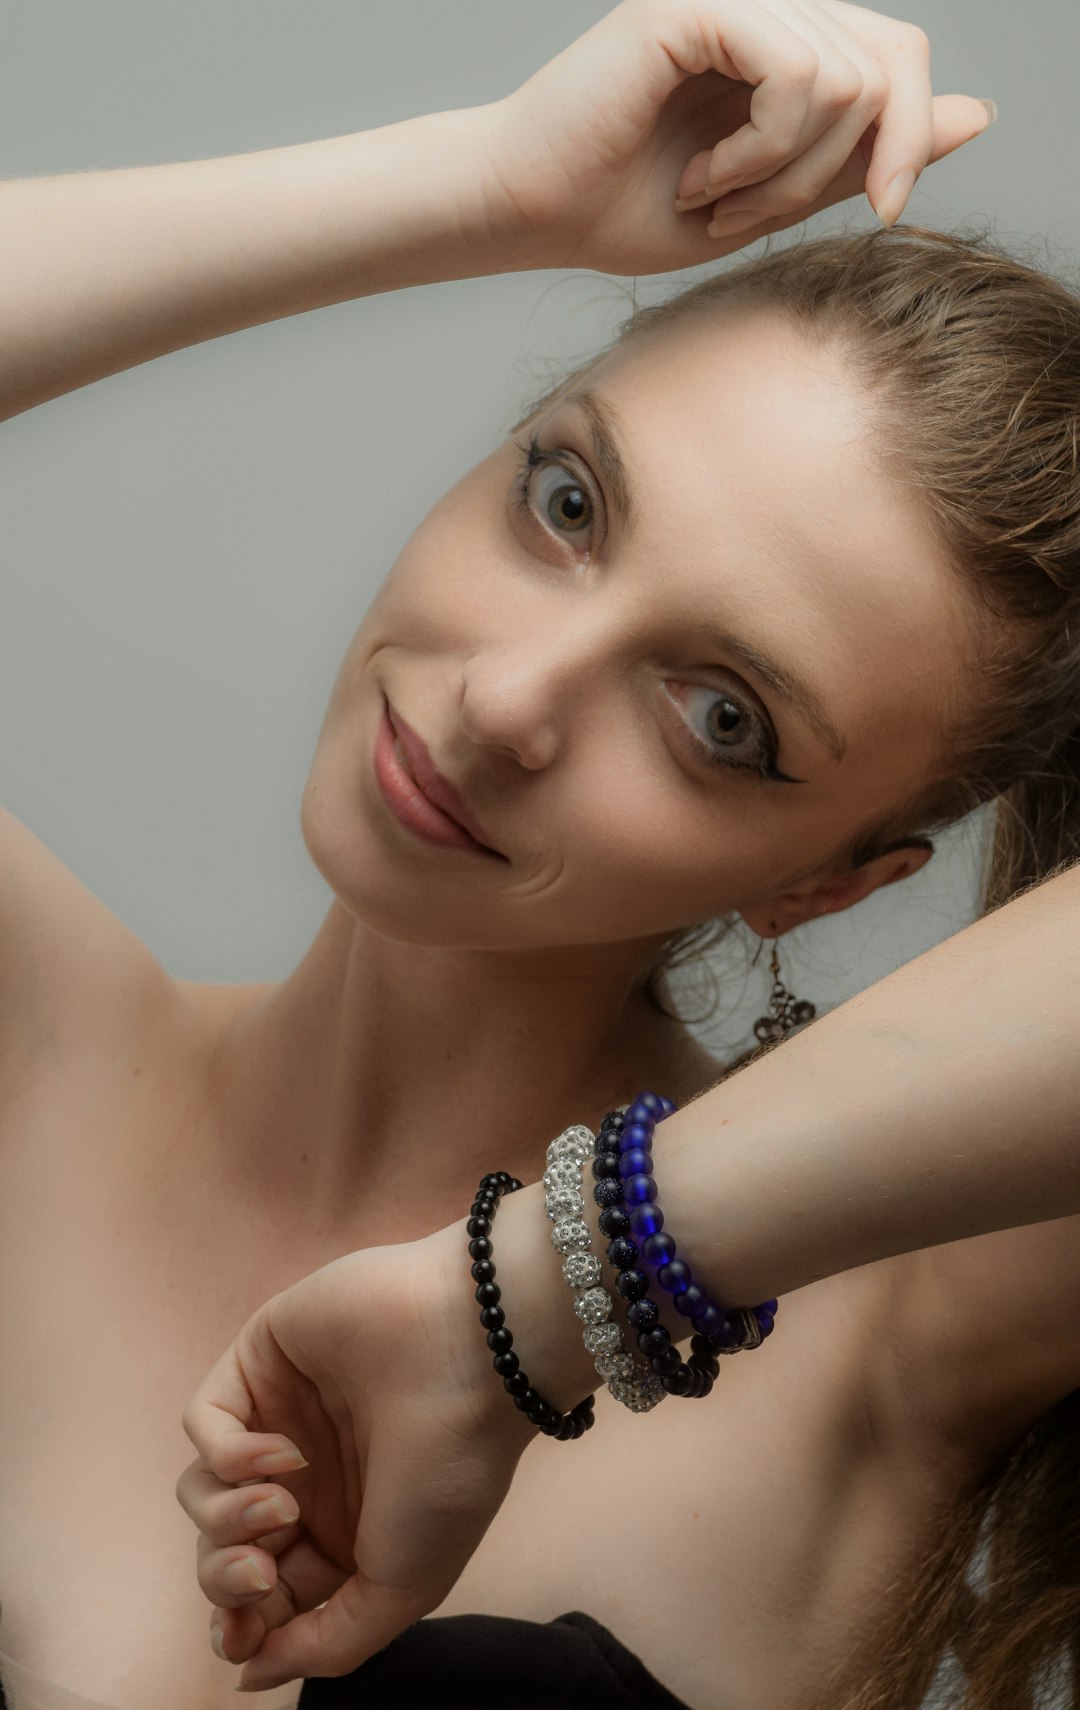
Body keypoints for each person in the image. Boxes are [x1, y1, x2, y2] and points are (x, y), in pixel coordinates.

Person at [1, 2, 1071, 1708]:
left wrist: (556, 1289)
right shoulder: (26, 1051)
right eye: (566, 504)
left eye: (721, 714)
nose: (506, 698)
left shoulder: (895, 1320)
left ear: (832, 880)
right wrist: (481, 186)